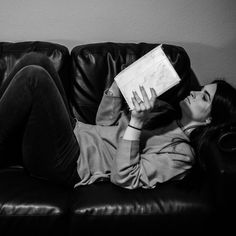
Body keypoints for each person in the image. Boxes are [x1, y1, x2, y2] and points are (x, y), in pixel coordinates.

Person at [0, 52, 235, 189]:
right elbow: (104, 126)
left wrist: (137, 122)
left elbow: (124, 177)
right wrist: (117, 86)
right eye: (202, 88)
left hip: (71, 163)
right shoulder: (163, 111)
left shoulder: (181, 155)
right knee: (37, 59)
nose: (195, 91)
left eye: (204, 97)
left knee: (34, 77)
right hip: (73, 132)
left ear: (210, 120)